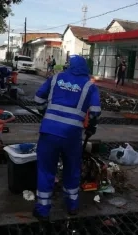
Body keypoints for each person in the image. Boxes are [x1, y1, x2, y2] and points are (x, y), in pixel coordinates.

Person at [32, 55, 101, 221]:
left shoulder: (56, 78)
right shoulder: (90, 86)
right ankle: (72, 206)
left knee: (46, 169)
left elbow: (38, 98)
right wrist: (91, 126)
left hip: (49, 132)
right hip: (72, 136)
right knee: (72, 169)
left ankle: (43, 209)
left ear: (70, 66)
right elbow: (95, 112)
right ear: (85, 68)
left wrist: (43, 112)